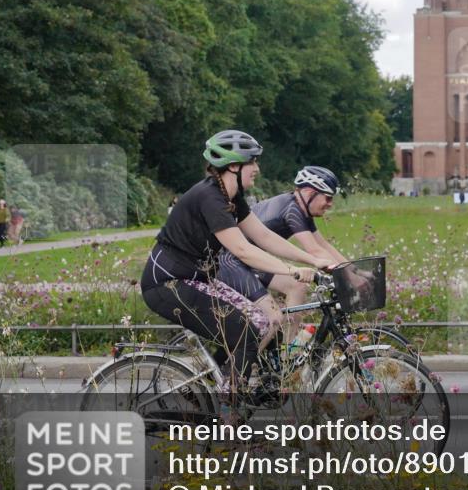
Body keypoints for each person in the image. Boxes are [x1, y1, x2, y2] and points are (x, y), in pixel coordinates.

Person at [140, 130, 326, 392]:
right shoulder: (210, 197)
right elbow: (243, 250)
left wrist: (313, 260)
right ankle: (230, 413)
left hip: (195, 279)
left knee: (265, 320)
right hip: (167, 284)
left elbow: (262, 236)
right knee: (246, 329)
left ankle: (214, 386)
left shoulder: (231, 197)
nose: (257, 168)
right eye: (252, 162)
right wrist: (291, 271)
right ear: (234, 165)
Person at [217, 166, 347, 347]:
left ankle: (285, 352)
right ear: (309, 193)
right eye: (328, 197)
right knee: (273, 318)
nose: (330, 203)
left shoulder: (299, 207)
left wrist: (353, 269)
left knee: (297, 286)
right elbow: (315, 251)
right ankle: (247, 367)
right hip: (232, 262)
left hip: (249, 262)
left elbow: (323, 245)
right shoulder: (292, 211)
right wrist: (350, 277)